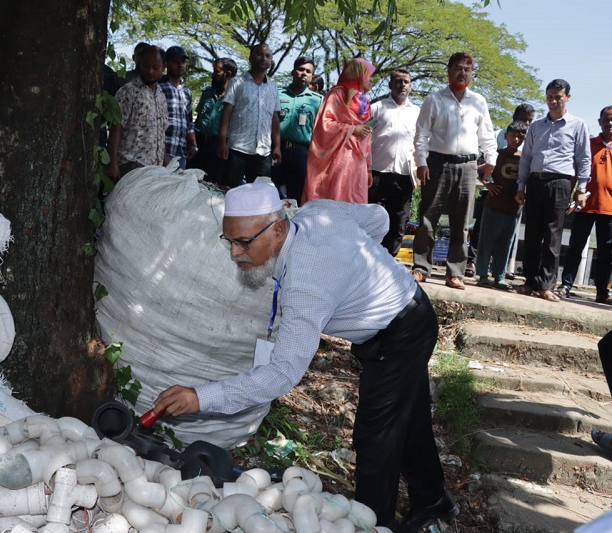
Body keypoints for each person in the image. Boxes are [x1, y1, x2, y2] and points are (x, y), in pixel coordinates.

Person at [151, 182, 457, 532]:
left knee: (376, 439)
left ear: (278, 228)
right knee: (410, 419)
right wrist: (357, 267)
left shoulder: (307, 284)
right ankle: (433, 499)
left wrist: (201, 397)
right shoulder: (317, 213)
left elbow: (283, 373)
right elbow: (380, 218)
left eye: (244, 242)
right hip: (405, 314)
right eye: (229, 240)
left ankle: (374, 524)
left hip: (401, 332)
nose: (235, 253)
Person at [411, 52, 497, 290]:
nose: (462, 73)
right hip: (438, 163)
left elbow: (487, 134)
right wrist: (421, 162)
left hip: (469, 166)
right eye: (458, 68)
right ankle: (421, 267)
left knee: (462, 222)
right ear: (448, 71)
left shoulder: (479, 101)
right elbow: (422, 134)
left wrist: (491, 160)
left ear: (472, 73)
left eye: (467, 69)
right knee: (429, 218)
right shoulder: (434, 100)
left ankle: (455, 273)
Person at [515, 79, 591, 302]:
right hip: (536, 181)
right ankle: (530, 281)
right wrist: (521, 186)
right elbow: (527, 158)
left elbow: (583, 158)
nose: (553, 101)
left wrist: (582, 189)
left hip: (561, 182)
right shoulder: (536, 126)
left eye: (558, 96)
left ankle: (546, 284)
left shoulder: (578, 125)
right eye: (550, 96)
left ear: (567, 97)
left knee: (552, 235)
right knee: (532, 233)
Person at [468, 103, 537, 277]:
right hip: (493, 192)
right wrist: (488, 184)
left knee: (508, 236)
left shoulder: (530, 142)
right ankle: (473, 262)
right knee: (483, 231)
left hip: (514, 197)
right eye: (523, 119)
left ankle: (502, 269)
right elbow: (485, 162)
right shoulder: (498, 136)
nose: (526, 124)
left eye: (530, 121)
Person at [556, 106, 612, 304]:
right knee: (575, 247)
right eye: (606, 119)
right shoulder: (588, 145)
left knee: (607, 252)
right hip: (585, 205)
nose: (610, 123)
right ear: (600, 122)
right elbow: (576, 171)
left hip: (609, 209)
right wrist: (568, 197)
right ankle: (566, 285)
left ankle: (602, 291)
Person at [303, 58, 375, 204]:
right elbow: (325, 124)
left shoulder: (365, 103)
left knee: (355, 200)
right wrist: (352, 129)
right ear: (358, 74)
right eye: (368, 75)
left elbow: (367, 137)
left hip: (358, 162)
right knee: (336, 197)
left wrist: (368, 169)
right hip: (338, 157)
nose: (371, 80)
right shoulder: (337, 95)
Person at [368, 68, 420, 256]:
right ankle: (367, 256)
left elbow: (421, 143)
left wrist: (420, 168)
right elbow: (365, 135)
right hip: (376, 173)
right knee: (372, 217)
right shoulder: (377, 108)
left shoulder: (417, 113)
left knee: (399, 220)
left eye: (406, 81)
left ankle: (389, 259)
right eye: (398, 81)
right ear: (391, 85)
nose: (402, 85)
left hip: (405, 175)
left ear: (411, 86)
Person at [218, 43, 281, 188]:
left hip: (263, 152)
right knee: (230, 192)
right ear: (250, 58)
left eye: (267, 56)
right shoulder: (237, 83)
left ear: (271, 61)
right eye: (259, 54)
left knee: (260, 195)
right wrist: (222, 141)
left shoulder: (273, 88)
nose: (263, 58)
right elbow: (226, 113)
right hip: (237, 149)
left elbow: (274, 119)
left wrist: (277, 147)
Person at [475, 121, 528, 290]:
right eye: (513, 135)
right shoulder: (495, 154)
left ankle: (499, 276)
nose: (516, 139)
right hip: (493, 204)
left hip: (513, 207)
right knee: (486, 240)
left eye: (520, 136)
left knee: (505, 243)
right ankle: (482, 274)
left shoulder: (525, 158)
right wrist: (487, 184)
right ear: (506, 136)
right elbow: (477, 169)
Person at [105, 45, 168, 181]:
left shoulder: (162, 96)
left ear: (164, 67)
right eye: (146, 66)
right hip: (131, 166)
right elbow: (116, 129)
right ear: (139, 64)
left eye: (155, 67)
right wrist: (112, 163)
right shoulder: (128, 92)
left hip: (155, 170)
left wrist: (165, 164)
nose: (150, 71)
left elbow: (161, 134)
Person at [272, 55, 322, 202]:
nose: (304, 73)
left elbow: (320, 130)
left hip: (302, 153)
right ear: (293, 72)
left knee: (296, 195)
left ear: (311, 76)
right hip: (276, 150)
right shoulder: (277, 93)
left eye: (308, 71)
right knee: (272, 193)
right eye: (301, 69)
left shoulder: (317, 100)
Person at [189, 58, 237, 185]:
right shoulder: (207, 92)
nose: (212, 75)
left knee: (212, 184)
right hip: (199, 143)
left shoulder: (236, 97)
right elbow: (198, 118)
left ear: (227, 74)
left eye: (216, 71)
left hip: (218, 146)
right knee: (191, 181)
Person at [159, 46, 197, 169]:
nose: (180, 65)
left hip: (181, 152)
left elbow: (189, 122)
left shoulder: (186, 91)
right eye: (176, 62)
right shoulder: (160, 86)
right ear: (166, 64)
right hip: (164, 148)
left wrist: (193, 144)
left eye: (183, 62)